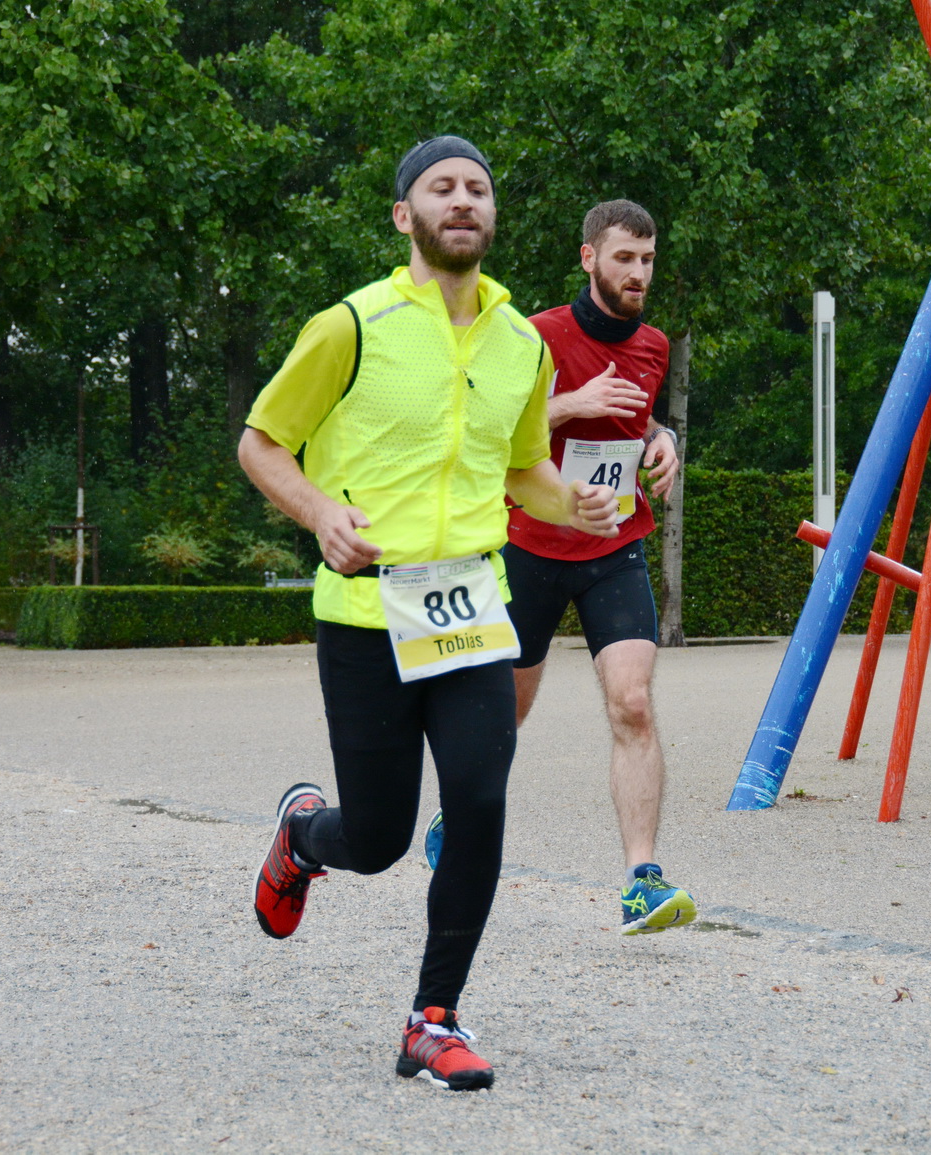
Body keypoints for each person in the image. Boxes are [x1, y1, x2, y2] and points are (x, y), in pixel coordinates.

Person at [237, 135, 619, 1092]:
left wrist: (573, 502)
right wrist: (321, 511)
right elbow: (261, 441)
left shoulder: (521, 343)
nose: (463, 201)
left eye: (478, 189)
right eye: (441, 188)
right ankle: (302, 836)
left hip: (469, 609)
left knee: (481, 801)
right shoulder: (350, 327)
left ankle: (433, 1017)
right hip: (366, 613)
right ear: (404, 216)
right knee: (377, 839)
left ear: (493, 216)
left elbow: (522, 468)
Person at [426, 199, 693, 935]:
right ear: (588, 258)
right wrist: (573, 399)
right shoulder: (534, 333)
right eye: (624, 259)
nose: (639, 273)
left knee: (632, 702)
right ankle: (458, 810)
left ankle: (643, 879)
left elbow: (633, 425)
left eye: (646, 259)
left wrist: (660, 442)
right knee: (503, 713)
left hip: (614, 546)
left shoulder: (654, 344)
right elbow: (486, 429)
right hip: (533, 547)